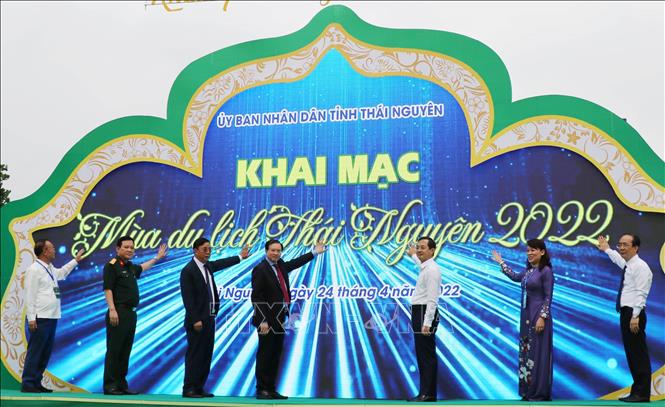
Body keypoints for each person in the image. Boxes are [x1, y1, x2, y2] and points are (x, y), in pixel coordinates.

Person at [251, 239, 327, 400]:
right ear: (266, 251)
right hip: (267, 321)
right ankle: (262, 390)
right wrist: (263, 320)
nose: (276, 253)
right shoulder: (260, 269)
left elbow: (295, 262)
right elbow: (256, 297)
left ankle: (270, 389)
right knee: (265, 355)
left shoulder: (280, 265)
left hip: (279, 318)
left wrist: (314, 252)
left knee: (275, 355)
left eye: (278, 251)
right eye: (273, 250)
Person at [179, 238, 250, 398]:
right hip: (197, 320)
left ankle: (199, 387)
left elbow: (221, 263)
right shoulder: (188, 270)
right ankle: (189, 388)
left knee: (206, 354)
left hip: (209, 318)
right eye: (204, 249)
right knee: (195, 354)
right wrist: (195, 319)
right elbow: (188, 298)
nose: (208, 252)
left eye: (209, 249)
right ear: (195, 250)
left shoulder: (208, 266)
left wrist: (240, 256)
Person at [102, 236, 167, 395]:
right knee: (115, 350)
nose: (130, 250)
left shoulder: (129, 266)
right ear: (118, 249)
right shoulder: (111, 266)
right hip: (118, 312)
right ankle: (110, 385)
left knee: (125, 350)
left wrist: (157, 258)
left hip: (131, 314)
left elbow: (142, 268)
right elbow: (108, 289)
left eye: (132, 247)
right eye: (126, 247)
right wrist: (112, 309)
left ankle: (121, 385)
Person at [491, 238, 553, 401]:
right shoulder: (528, 271)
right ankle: (527, 391)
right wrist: (501, 263)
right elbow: (514, 276)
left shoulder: (546, 271)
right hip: (526, 317)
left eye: (533, 250)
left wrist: (543, 317)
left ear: (542, 252)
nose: (529, 253)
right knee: (526, 353)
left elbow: (548, 297)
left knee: (537, 353)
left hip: (538, 317)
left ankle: (538, 392)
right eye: (528, 250)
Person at [21, 239, 84, 393]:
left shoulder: (49, 268)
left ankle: (36, 382)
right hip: (40, 318)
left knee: (45, 352)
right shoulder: (34, 270)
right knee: (36, 351)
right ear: (44, 251)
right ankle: (28, 383)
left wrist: (75, 260)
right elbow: (29, 295)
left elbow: (62, 273)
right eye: (52, 248)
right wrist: (31, 318)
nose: (54, 251)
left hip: (51, 316)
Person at [597, 234, 652, 403]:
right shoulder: (629, 265)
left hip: (634, 314)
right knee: (632, 354)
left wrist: (635, 315)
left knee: (638, 354)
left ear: (635, 247)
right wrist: (607, 249)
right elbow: (618, 261)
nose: (621, 247)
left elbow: (642, 292)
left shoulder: (641, 267)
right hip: (627, 313)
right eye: (619, 244)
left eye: (625, 245)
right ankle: (637, 391)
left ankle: (642, 393)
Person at [406, 236, 442, 402]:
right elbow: (421, 266)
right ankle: (426, 393)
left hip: (424, 313)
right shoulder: (426, 267)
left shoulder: (432, 270)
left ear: (432, 250)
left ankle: (428, 394)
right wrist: (413, 255)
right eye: (418, 247)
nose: (419, 250)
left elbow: (432, 299)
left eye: (422, 247)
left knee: (426, 355)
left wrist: (427, 323)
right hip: (420, 312)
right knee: (423, 354)